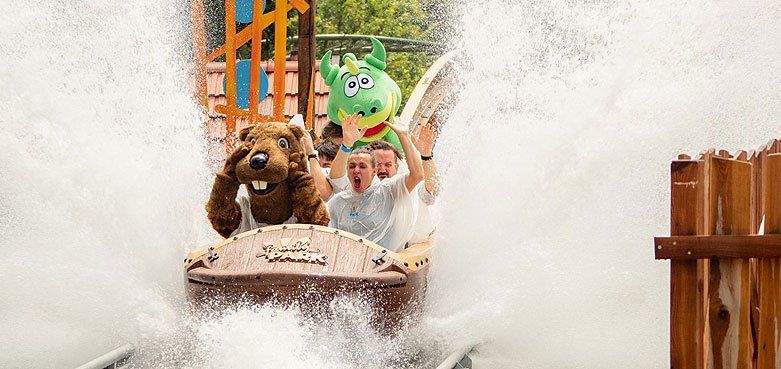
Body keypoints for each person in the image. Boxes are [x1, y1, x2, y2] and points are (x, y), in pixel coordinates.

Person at [326, 114, 424, 251]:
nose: (356, 170)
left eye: (362, 166)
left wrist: (403, 136)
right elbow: (335, 177)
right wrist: (346, 144)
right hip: (347, 266)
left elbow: (418, 175)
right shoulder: (339, 201)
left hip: (383, 265)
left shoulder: (388, 190)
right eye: (352, 166)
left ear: (374, 171)